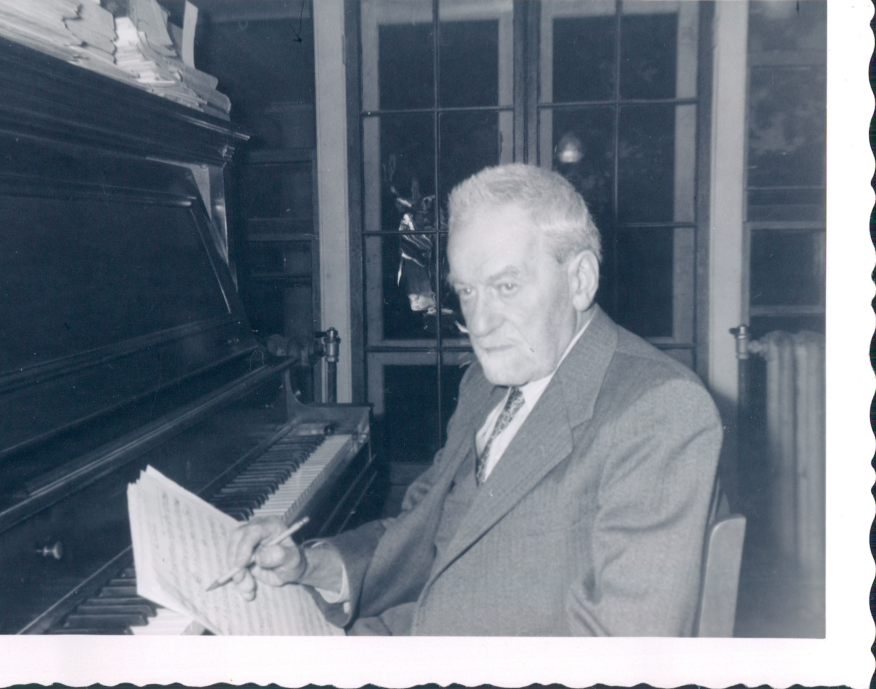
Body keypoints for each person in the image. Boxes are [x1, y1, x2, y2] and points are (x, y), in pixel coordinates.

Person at [225, 164, 723, 636]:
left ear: (580, 280)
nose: (479, 325)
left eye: (506, 286)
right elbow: (422, 530)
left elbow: (624, 655)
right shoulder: (484, 386)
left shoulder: (659, 409)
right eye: (466, 291)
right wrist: (310, 565)